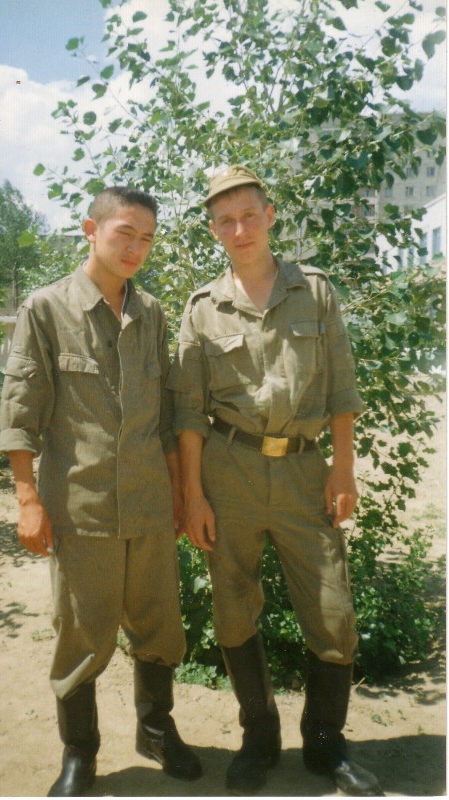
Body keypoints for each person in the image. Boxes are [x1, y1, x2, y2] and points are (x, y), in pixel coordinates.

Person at [168, 165, 382, 796]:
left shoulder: (314, 291)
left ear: (269, 217)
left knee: (333, 611)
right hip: (229, 471)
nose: (240, 230)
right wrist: (193, 495)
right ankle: (258, 738)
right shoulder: (202, 310)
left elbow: (342, 389)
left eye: (249, 216)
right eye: (225, 221)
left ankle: (325, 744)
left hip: (303, 471)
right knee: (234, 609)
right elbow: (188, 413)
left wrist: (343, 468)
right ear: (214, 230)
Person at [0, 186, 202, 797]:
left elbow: (163, 418)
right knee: (82, 634)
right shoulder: (46, 309)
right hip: (80, 507)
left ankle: (156, 730)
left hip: (148, 505)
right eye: (125, 233)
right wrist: (27, 499)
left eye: (147, 238)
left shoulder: (152, 314)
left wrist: (178, 493)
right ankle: (79, 752)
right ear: (91, 229)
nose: (136, 248)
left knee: (160, 626)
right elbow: (20, 413)